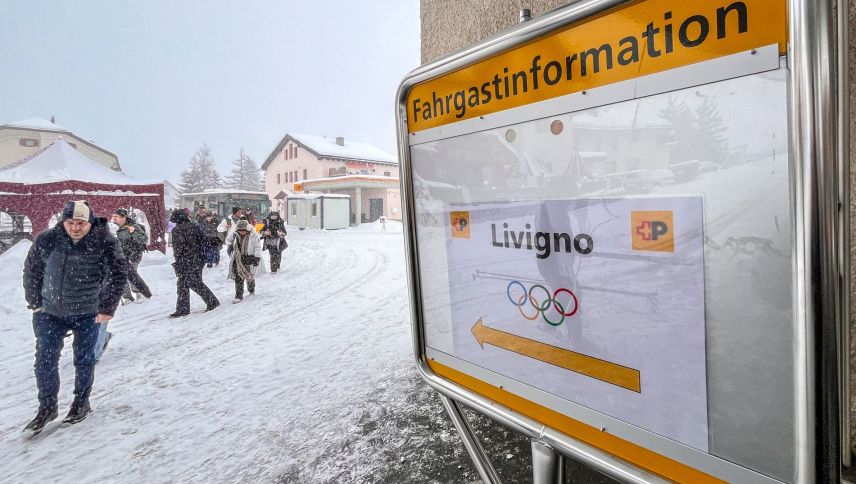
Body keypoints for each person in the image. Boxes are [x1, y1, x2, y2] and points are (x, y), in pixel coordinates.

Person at [22, 200, 128, 434]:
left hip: (87, 311)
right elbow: (32, 271)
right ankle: (47, 406)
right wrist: (35, 303)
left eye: (81, 223)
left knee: (84, 359)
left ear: (89, 222)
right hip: (50, 312)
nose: (75, 228)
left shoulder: (104, 242)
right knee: (44, 360)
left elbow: (119, 273)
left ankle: (81, 402)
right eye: (70, 222)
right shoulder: (48, 239)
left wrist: (107, 308)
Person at [170, 209, 219, 317]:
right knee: (188, 282)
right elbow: (205, 239)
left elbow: (178, 248)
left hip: (185, 260)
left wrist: (178, 261)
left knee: (190, 283)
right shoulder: (194, 226)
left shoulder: (177, 230)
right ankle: (184, 309)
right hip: (198, 259)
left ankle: (211, 302)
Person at [112, 208, 152, 304]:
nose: (114, 218)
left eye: (116, 216)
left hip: (133, 255)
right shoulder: (117, 228)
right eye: (113, 216)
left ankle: (139, 293)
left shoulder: (133, 226)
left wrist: (133, 232)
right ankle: (127, 297)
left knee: (131, 274)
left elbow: (144, 239)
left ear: (123, 217)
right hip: (122, 256)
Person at [226, 220, 261, 303]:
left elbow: (257, 247)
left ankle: (251, 288)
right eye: (239, 230)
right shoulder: (235, 234)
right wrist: (230, 245)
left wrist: (257, 258)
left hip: (249, 258)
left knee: (250, 276)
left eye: (243, 230)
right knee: (238, 277)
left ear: (247, 229)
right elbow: (227, 240)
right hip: (238, 259)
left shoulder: (253, 235)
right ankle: (238, 295)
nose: (241, 232)